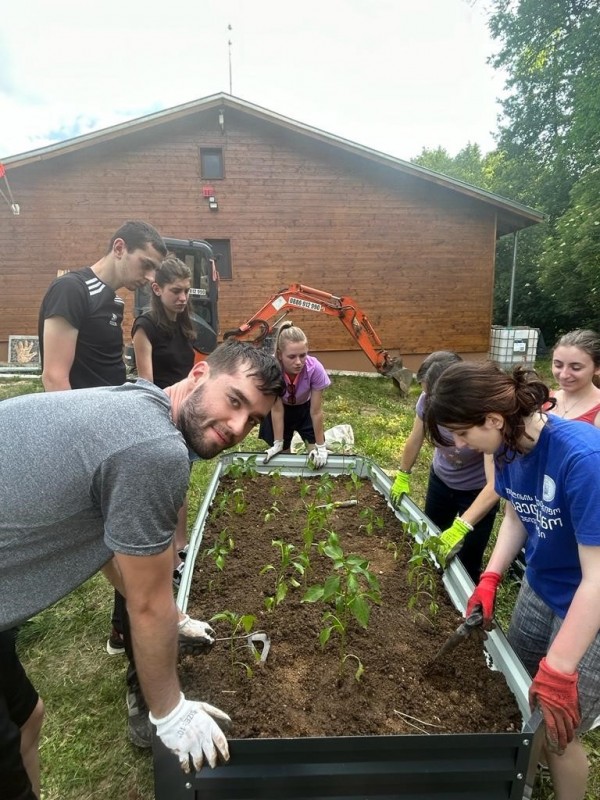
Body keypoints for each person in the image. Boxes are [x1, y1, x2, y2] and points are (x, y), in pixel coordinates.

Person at [0, 340, 285, 800]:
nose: (237, 427)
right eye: (234, 400)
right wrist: (170, 711)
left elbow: (112, 547)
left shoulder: (141, 400)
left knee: (26, 720)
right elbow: (147, 604)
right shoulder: (156, 450)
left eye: (253, 420)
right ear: (199, 375)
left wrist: (176, 616)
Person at [424, 361, 600, 800]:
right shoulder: (506, 448)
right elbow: (516, 513)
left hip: (589, 605)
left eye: (462, 433)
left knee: (559, 729)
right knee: (516, 693)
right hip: (540, 586)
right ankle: (524, 773)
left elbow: (597, 578)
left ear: (493, 419)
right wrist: (490, 577)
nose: (459, 444)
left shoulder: (583, 459)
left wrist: (561, 667)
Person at [390, 351, 500, 583]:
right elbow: (415, 438)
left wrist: (462, 526)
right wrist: (403, 474)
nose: (430, 401)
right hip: (441, 480)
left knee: (469, 556)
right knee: (432, 537)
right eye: (427, 394)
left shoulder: (481, 416)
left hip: (477, 491)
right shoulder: (426, 400)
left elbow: (495, 483)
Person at [38, 219, 167, 390]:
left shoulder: (115, 302)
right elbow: (54, 378)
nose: (151, 277)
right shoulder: (71, 289)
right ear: (119, 248)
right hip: (84, 407)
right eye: (146, 265)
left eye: (155, 270)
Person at [132, 256, 196, 585]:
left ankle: (181, 546)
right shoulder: (145, 327)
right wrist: (164, 421)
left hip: (184, 412)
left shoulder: (184, 324)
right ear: (157, 289)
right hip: (160, 414)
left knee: (181, 482)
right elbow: (146, 383)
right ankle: (168, 559)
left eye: (186, 291)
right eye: (176, 291)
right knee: (165, 491)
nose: (183, 298)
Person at [260, 322, 331, 467]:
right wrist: (278, 443)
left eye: (303, 355)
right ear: (280, 355)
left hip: (305, 409)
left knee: (316, 456)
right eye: (292, 357)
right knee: (284, 459)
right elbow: (277, 409)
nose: (298, 362)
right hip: (282, 410)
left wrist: (321, 447)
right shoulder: (272, 370)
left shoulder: (315, 369)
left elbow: (316, 411)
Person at [548, 329, 600, 427]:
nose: (563, 375)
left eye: (576, 368)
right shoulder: (544, 400)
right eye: (558, 365)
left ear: (597, 368)